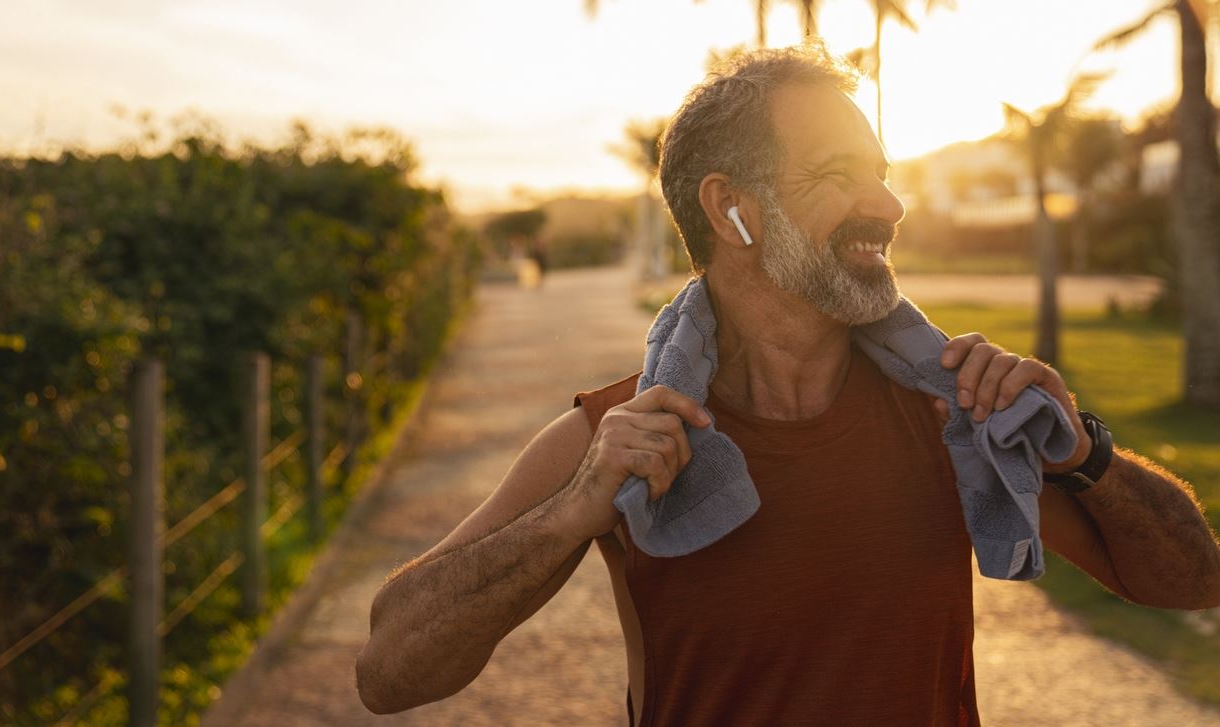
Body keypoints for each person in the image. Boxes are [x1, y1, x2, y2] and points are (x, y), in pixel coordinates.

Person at [356, 42, 1220, 725]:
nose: (886, 204)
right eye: (837, 173)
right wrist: (572, 510)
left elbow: (1191, 581)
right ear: (731, 208)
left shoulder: (951, 412)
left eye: (880, 172)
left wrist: (1081, 451)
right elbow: (388, 672)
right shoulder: (613, 438)